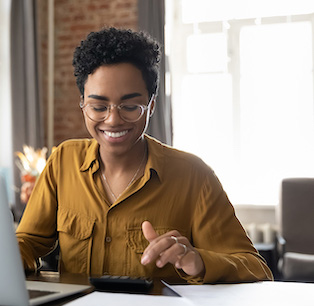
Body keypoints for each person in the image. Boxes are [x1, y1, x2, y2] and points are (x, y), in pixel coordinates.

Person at [16, 27, 273, 284]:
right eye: (98, 107)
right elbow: (28, 242)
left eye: (130, 106)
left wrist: (198, 261)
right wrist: (7, 255)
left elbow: (256, 269)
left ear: (151, 105)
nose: (113, 119)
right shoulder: (63, 161)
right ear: (82, 103)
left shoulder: (194, 176)